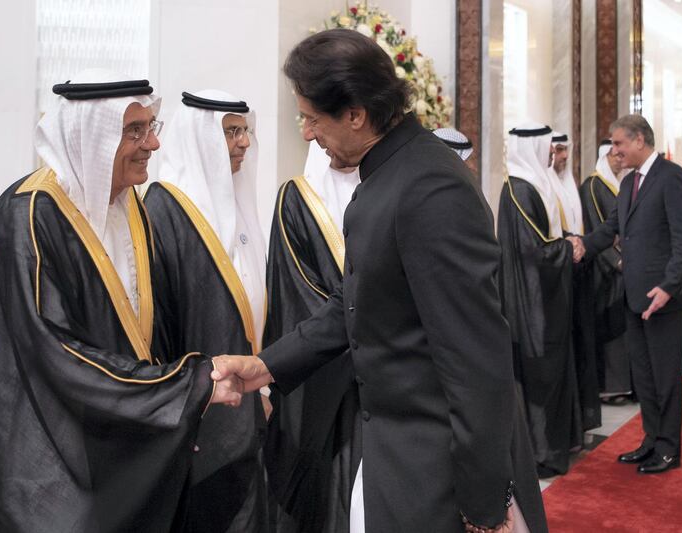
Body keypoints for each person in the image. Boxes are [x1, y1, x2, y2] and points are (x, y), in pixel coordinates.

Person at [212, 29, 548, 533]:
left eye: (311, 117)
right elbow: (356, 301)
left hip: (438, 472)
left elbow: (476, 359)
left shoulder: (428, 187)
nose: (305, 132)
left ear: (355, 114)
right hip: (395, 459)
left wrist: (482, 501)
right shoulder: (386, 176)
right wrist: (266, 365)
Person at [0, 71, 242, 532]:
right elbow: (53, 350)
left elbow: (154, 329)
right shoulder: (29, 212)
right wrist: (180, 388)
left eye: (151, 127)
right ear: (88, 138)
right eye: (134, 131)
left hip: (128, 435)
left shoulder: (131, 207)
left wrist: (177, 404)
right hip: (56, 451)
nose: (152, 144)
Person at [144, 90, 268, 532]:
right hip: (197, 418)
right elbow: (157, 330)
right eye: (231, 131)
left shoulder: (236, 202)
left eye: (245, 130)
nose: (243, 143)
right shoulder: (163, 210)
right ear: (199, 138)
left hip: (246, 408)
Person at [569, 114, 682, 474]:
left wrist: (669, 287)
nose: (615, 150)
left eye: (619, 143)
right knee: (643, 376)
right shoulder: (628, 184)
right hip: (634, 296)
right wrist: (578, 246)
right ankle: (651, 440)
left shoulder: (673, 178)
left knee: (665, 377)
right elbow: (610, 230)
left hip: (663, 298)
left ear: (640, 141)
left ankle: (669, 449)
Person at [263, 140, 362, 533]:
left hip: (374, 371)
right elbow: (296, 287)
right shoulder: (296, 197)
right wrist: (358, 332)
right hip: (323, 369)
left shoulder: (381, 189)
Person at [498, 123, 582, 478]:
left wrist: (564, 242)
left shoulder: (537, 182)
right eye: (547, 146)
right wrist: (568, 247)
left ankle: (557, 444)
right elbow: (534, 251)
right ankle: (540, 453)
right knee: (538, 375)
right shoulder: (517, 189)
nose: (552, 152)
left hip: (547, 297)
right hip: (530, 302)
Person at [548, 131, 601, 432]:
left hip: (577, 270)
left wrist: (582, 246)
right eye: (558, 150)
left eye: (566, 150)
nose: (564, 156)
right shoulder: (540, 186)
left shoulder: (570, 184)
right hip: (558, 270)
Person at [579, 139, 632, 402]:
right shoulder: (592, 186)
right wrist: (616, 261)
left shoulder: (619, 184)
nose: (619, 160)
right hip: (605, 270)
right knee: (611, 327)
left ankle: (627, 384)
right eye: (614, 155)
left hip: (624, 267)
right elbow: (595, 229)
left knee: (625, 326)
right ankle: (611, 387)